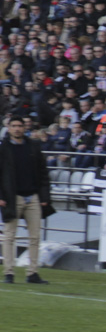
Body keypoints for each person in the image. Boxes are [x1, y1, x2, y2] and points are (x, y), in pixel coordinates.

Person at [0, 117, 51, 284]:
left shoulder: (33, 146)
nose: (17, 129)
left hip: (33, 196)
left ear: (24, 127)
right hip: (12, 197)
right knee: (9, 236)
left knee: (35, 236)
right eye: (13, 126)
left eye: (19, 126)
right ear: (8, 128)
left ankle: (32, 273)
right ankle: (8, 272)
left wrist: (44, 197)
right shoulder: (3, 149)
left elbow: (43, 173)